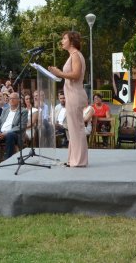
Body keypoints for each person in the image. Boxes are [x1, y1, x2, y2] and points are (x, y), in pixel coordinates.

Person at [48, 31, 87, 168]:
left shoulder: (75, 55)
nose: (62, 41)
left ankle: (79, 160)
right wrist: (57, 73)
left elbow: (76, 75)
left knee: (77, 128)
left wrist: (59, 73)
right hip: (72, 94)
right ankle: (73, 159)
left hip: (75, 94)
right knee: (73, 129)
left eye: (64, 38)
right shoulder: (73, 55)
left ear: (71, 41)